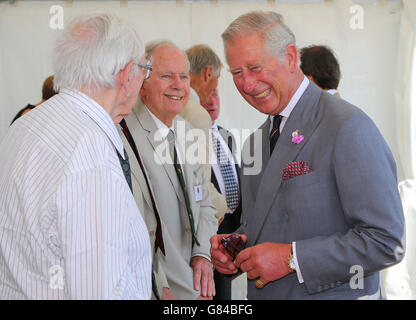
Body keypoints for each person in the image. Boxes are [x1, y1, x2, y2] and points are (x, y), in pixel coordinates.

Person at [210, 10, 405, 299]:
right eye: (237, 73)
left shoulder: (347, 126)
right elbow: (267, 224)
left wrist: (292, 259)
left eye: (255, 67)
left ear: (290, 58)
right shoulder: (254, 142)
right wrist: (237, 247)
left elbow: (386, 241)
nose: (247, 84)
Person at [0, 13, 152, 299]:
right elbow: (99, 291)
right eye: (146, 69)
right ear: (126, 74)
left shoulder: (27, 124)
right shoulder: (89, 150)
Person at [124, 40, 218, 299]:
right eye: (166, 76)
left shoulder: (186, 132)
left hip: (193, 286)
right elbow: (131, 227)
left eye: (184, 77)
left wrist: (202, 254)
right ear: (143, 82)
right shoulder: (125, 137)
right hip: (155, 289)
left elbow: (205, 205)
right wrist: (157, 283)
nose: (178, 85)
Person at [201, 88, 242, 300]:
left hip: (234, 226)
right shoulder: (191, 139)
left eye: (216, 93)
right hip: (212, 226)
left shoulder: (226, 135)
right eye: (205, 94)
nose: (211, 100)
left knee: (225, 290)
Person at [180, 44, 228, 221]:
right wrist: (222, 209)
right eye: (218, 78)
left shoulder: (170, 106)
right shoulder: (196, 114)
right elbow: (200, 180)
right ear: (208, 73)